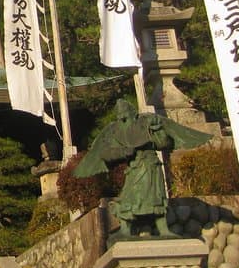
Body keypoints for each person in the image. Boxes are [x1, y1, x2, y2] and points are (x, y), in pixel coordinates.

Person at [73, 99, 211, 240]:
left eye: (126, 115)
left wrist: (158, 131)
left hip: (151, 165)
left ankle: (163, 229)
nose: (124, 119)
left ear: (132, 113)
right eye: (121, 117)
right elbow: (106, 153)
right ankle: (126, 229)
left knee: (157, 198)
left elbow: (163, 144)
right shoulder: (115, 130)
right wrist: (124, 152)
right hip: (134, 168)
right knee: (128, 198)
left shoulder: (146, 122)